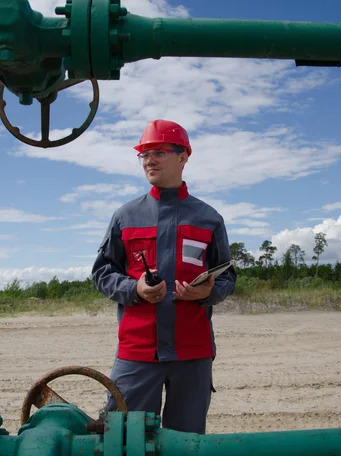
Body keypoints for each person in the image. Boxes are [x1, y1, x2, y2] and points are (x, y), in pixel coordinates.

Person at [91, 119, 237, 434]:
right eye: (143, 154)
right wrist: (135, 288)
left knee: (186, 441)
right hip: (137, 351)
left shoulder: (209, 218)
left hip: (193, 351)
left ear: (183, 156)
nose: (149, 160)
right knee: (125, 437)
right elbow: (102, 272)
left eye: (159, 152)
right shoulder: (125, 216)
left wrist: (207, 293)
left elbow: (227, 277)